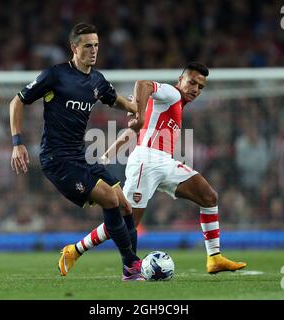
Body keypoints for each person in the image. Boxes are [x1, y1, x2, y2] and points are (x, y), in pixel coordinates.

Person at [62, 62, 247, 275]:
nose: (195, 89)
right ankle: (75, 250)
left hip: (165, 162)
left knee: (208, 196)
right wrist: (138, 116)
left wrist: (106, 155)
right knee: (126, 222)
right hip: (146, 162)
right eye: (192, 82)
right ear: (181, 80)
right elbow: (143, 84)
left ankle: (214, 258)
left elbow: (134, 133)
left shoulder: (166, 106)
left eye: (200, 87)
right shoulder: (172, 94)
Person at [9, 22, 144, 281]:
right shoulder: (55, 75)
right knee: (110, 199)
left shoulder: (96, 80)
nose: (93, 50)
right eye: (87, 46)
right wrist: (17, 142)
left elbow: (112, 98)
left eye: (96, 45)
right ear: (74, 47)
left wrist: (134, 109)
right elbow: (17, 100)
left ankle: (131, 267)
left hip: (80, 157)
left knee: (126, 205)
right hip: (56, 160)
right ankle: (130, 265)